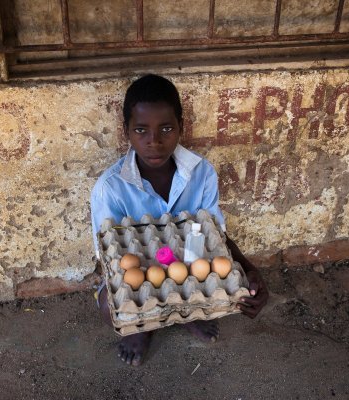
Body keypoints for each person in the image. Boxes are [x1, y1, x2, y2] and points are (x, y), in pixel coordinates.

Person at [90, 74, 268, 366]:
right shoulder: (110, 187)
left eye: (166, 129)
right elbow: (108, 259)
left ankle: (185, 312)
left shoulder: (202, 173)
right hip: (141, 268)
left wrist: (249, 269)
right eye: (141, 130)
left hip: (190, 262)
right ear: (127, 132)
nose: (154, 142)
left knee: (215, 276)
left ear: (181, 128)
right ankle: (145, 326)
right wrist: (140, 286)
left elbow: (216, 233)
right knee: (111, 308)